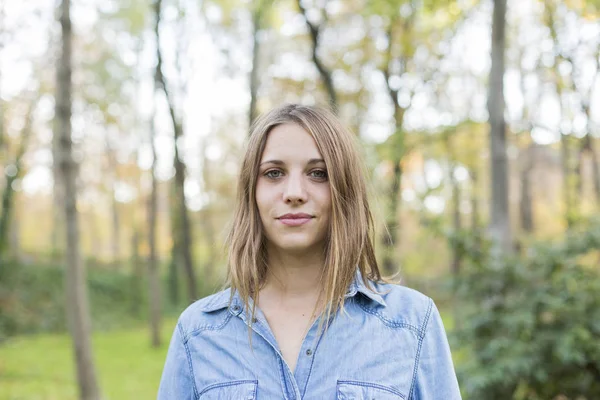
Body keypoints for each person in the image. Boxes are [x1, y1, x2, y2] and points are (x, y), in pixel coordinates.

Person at [157, 104, 461, 399]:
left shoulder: (411, 323)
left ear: (344, 190)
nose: (294, 194)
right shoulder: (198, 332)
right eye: (274, 173)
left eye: (317, 173)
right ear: (252, 191)